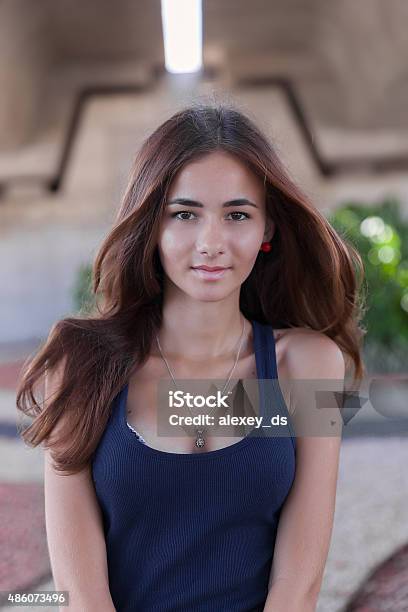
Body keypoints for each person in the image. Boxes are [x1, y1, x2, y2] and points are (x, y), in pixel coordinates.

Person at [16, 103, 365, 611]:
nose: (212, 243)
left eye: (238, 215)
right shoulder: (83, 363)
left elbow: (299, 584)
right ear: (151, 227)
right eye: (184, 214)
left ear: (267, 230)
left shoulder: (305, 365)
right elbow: (81, 596)